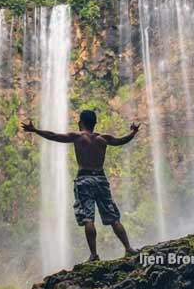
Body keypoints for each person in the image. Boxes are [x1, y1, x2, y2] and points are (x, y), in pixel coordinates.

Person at [22, 110, 140, 261]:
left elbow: (54, 136)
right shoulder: (103, 138)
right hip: (101, 179)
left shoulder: (77, 137)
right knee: (113, 217)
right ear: (95, 123)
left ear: (80, 123)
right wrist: (133, 132)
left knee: (88, 219)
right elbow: (122, 140)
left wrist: (35, 130)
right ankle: (128, 248)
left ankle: (94, 255)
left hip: (84, 179)